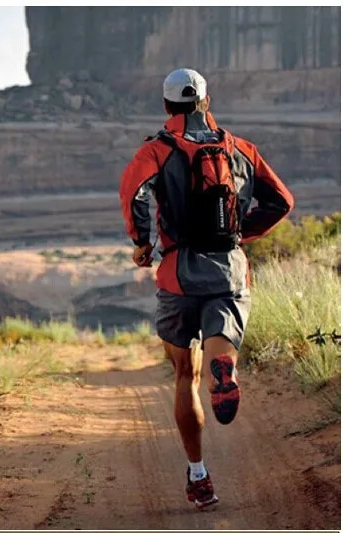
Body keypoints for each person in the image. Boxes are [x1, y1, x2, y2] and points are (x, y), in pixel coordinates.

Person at [119, 68, 294, 509]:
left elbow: (133, 192)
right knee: (221, 344)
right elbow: (282, 202)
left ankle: (198, 476)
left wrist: (142, 243)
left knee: (184, 376)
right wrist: (239, 233)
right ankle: (225, 370)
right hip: (228, 270)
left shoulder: (157, 150)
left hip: (178, 271)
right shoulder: (240, 148)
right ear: (206, 102)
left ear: (167, 107)